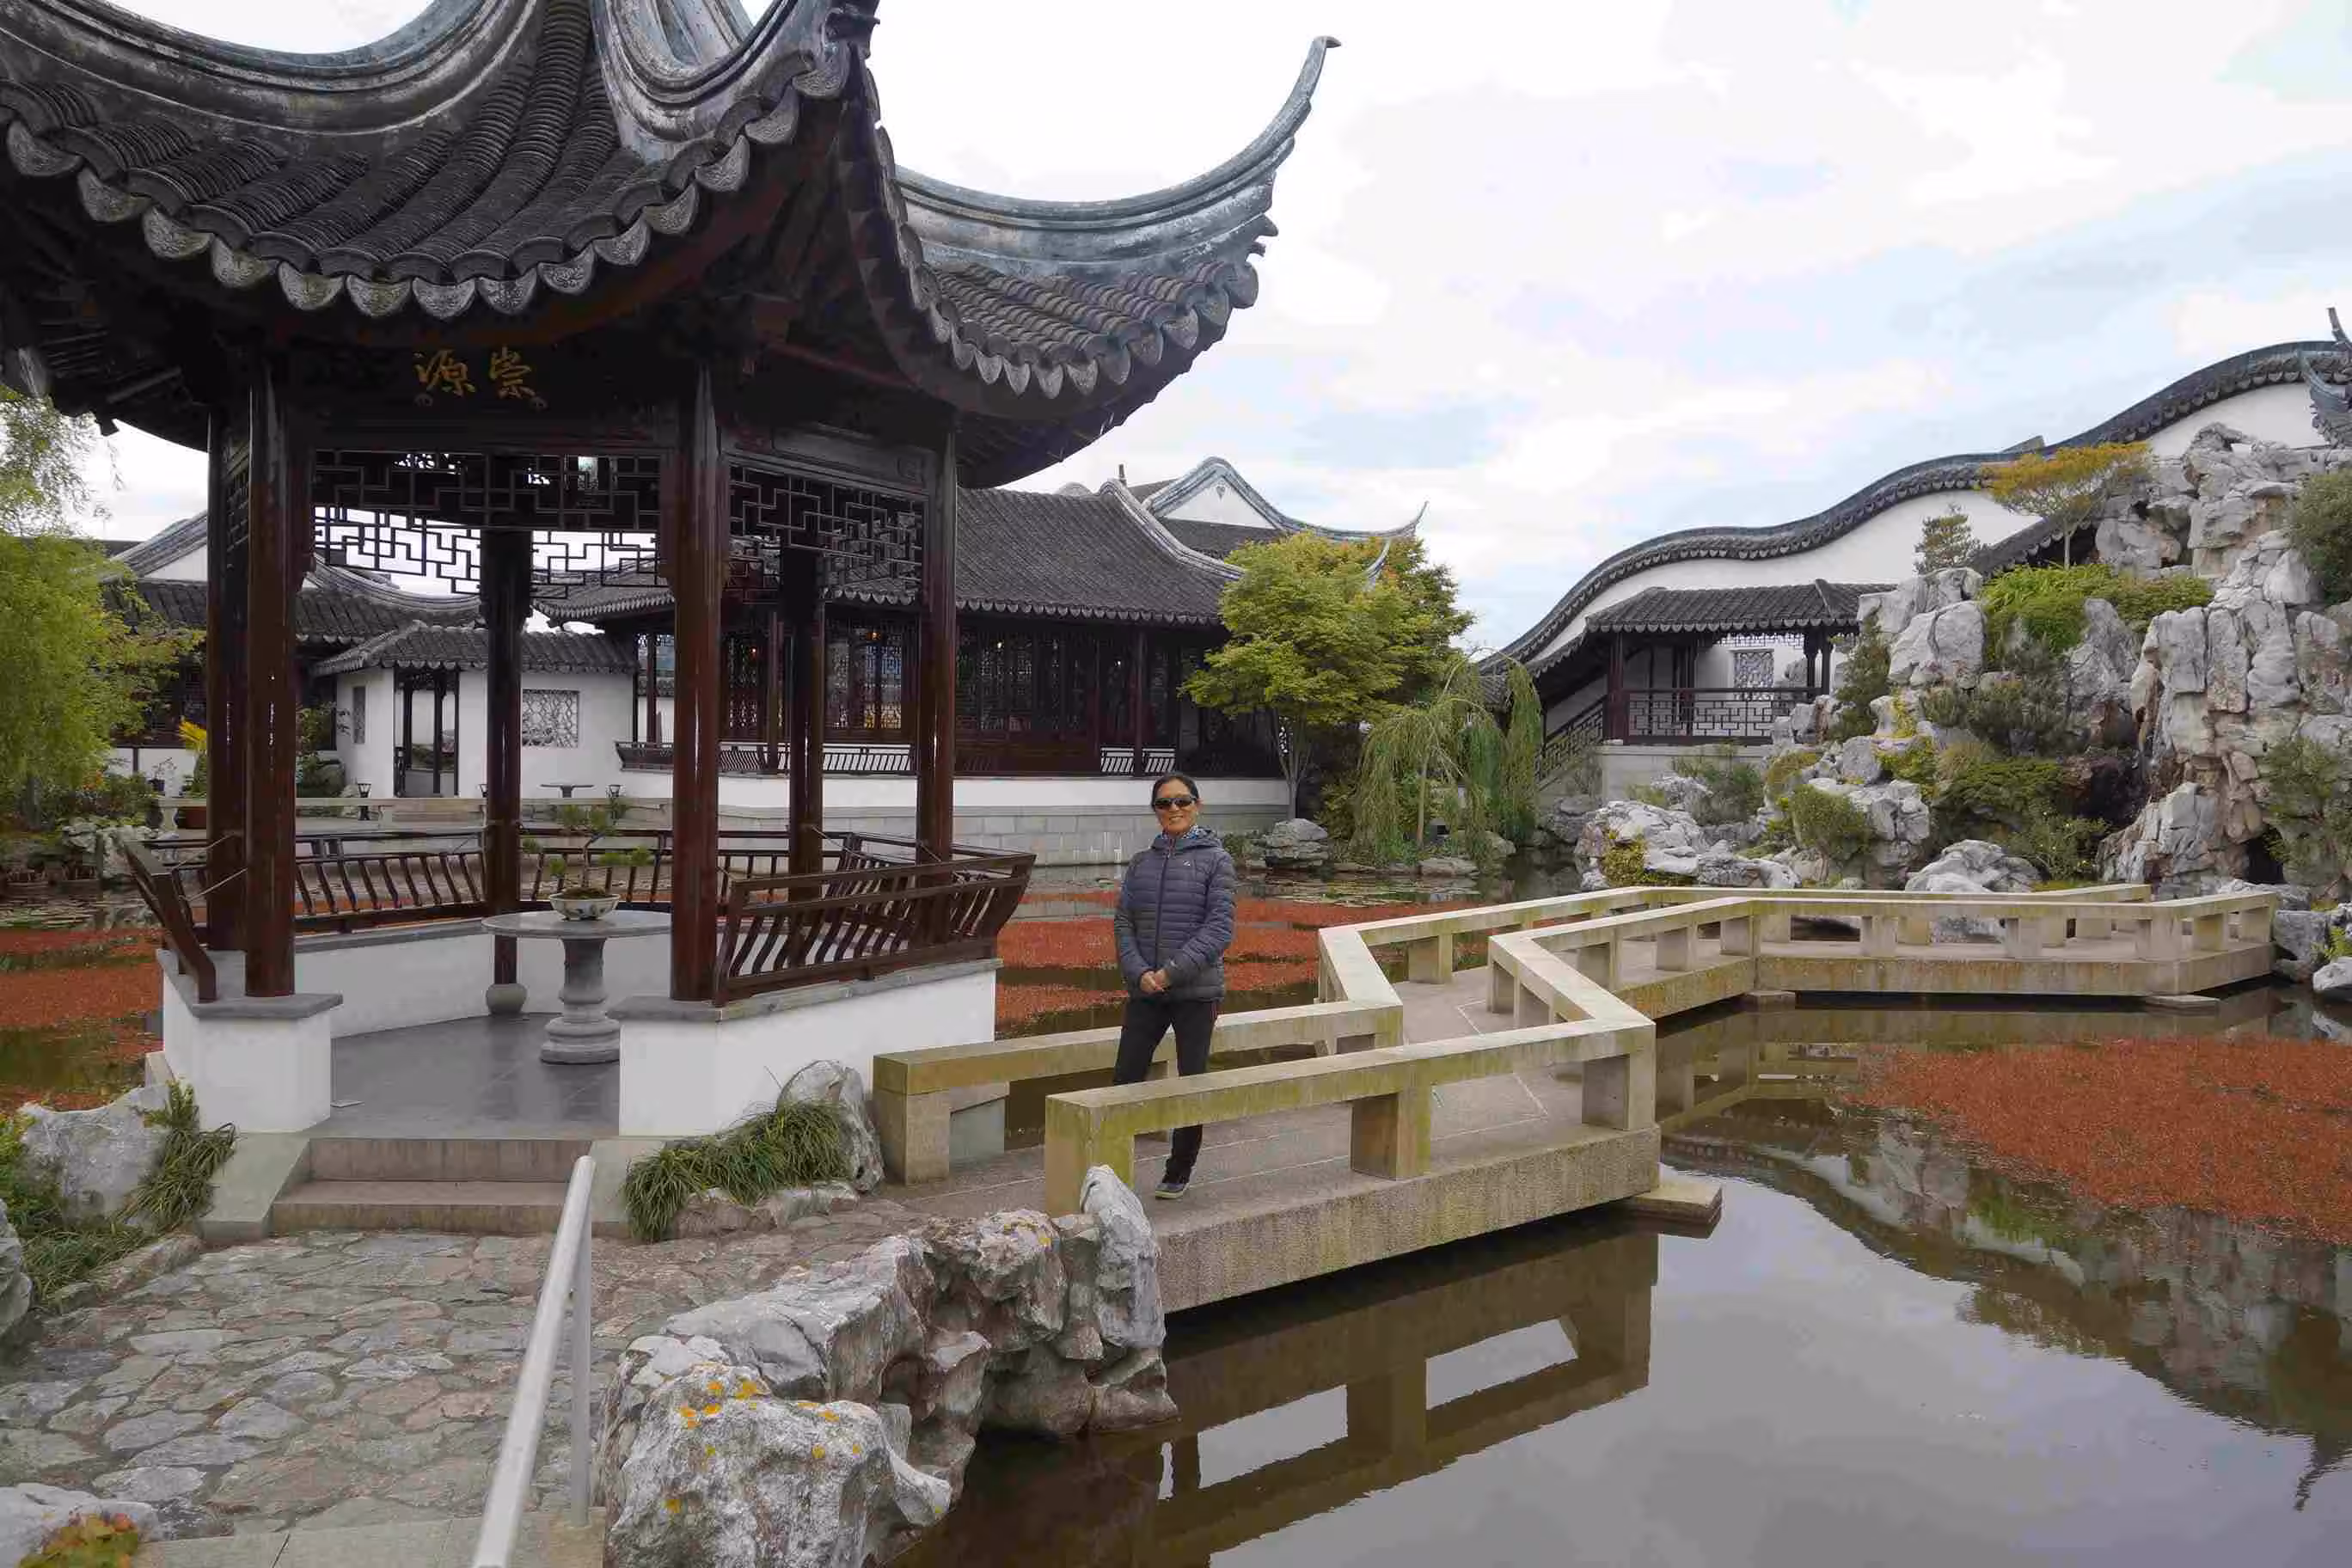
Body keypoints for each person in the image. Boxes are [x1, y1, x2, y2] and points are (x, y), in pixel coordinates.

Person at [1111, 771, 1236, 1198]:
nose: (1174, 809)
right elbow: (1124, 923)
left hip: (1195, 992)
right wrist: (1139, 973)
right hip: (1146, 991)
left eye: (1182, 801)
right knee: (1125, 1078)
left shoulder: (1217, 860)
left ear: (1197, 806)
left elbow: (1218, 929)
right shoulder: (1141, 864)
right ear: (1156, 811)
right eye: (1164, 803)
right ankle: (1111, 1169)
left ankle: (1179, 1170)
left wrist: (1169, 973)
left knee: (1191, 1081)